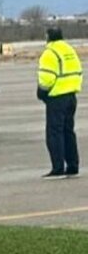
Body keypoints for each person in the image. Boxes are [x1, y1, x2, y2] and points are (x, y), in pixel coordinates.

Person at [37, 28, 81, 179]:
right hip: (71, 95)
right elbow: (78, 71)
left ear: (48, 37)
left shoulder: (50, 53)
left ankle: (58, 168)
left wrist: (42, 92)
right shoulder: (69, 50)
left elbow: (47, 78)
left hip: (56, 97)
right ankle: (73, 165)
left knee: (54, 133)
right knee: (68, 131)